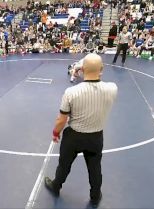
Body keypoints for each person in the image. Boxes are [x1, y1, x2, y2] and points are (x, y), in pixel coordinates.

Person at [45, 53, 118, 208]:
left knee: (64, 164)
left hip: (74, 137)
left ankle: (56, 186)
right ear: (102, 69)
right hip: (96, 137)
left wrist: (55, 133)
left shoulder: (71, 92)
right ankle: (95, 195)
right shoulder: (112, 88)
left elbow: (61, 120)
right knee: (95, 167)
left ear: (81, 69)